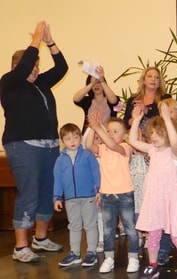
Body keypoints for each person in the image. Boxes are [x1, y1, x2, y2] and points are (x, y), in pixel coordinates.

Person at [1, 21, 67, 263]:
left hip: (49, 145)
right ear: (16, 67)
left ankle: (40, 238)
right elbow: (25, 64)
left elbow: (61, 68)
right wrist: (36, 39)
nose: (36, 70)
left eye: (38, 67)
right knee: (28, 193)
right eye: (32, 66)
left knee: (46, 192)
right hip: (23, 145)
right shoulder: (9, 82)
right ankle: (20, 247)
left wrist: (49, 41)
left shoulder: (40, 84)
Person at [129, 102, 177, 279]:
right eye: (152, 134)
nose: (154, 137)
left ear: (167, 133)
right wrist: (136, 119)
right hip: (154, 198)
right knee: (154, 233)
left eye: (159, 134)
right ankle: (153, 265)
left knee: (176, 233)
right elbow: (133, 141)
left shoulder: (175, 152)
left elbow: (175, 141)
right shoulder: (152, 150)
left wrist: (166, 118)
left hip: (170, 198)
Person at [85, 115, 139, 274]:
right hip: (107, 194)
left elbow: (113, 145)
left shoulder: (125, 148)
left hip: (124, 194)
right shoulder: (102, 148)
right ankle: (109, 258)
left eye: (115, 131)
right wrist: (92, 128)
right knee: (108, 229)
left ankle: (134, 257)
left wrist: (99, 129)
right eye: (108, 130)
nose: (110, 133)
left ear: (125, 136)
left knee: (130, 227)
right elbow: (88, 145)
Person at [53, 123, 100, 267]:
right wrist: (56, 197)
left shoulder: (87, 155)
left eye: (75, 137)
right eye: (68, 138)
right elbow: (58, 179)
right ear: (62, 141)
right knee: (74, 226)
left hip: (88, 197)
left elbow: (96, 173)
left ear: (80, 138)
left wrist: (99, 190)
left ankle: (91, 252)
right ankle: (75, 253)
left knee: (90, 224)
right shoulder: (60, 160)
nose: (72, 141)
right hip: (70, 199)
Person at [73, 66, 119, 132]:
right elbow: (76, 99)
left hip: (108, 136)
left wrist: (102, 80)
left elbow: (114, 102)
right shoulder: (87, 101)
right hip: (89, 137)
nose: (96, 85)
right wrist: (91, 83)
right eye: (94, 83)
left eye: (98, 83)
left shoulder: (113, 98)